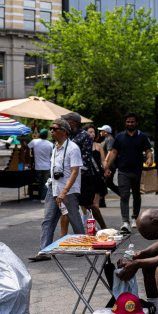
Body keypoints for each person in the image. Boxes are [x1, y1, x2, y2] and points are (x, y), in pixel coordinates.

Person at [29, 118, 84, 262]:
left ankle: (83, 246)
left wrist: (65, 191)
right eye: (51, 129)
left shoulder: (73, 148)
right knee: (48, 220)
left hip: (68, 190)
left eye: (54, 129)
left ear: (64, 131)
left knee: (74, 218)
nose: (51, 131)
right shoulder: (55, 148)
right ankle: (44, 251)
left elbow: (75, 171)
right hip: (53, 188)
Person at [104, 112, 153, 234]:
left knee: (136, 195)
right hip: (123, 171)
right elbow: (114, 152)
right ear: (125, 123)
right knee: (124, 196)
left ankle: (135, 217)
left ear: (136, 123)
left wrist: (150, 158)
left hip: (137, 171)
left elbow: (148, 151)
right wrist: (107, 167)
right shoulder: (120, 137)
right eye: (128, 122)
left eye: (132, 121)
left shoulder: (142, 137)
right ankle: (125, 221)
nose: (130, 124)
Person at [60, 112, 107, 234]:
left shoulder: (84, 136)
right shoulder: (67, 135)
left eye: (67, 121)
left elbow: (85, 159)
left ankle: (104, 228)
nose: (65, 123)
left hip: (84, 177)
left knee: (90, 205)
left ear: (73, 123)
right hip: (69, 176)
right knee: (66, 207)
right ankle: (63, 236)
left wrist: (75, 171)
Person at [84, 124, 107, 212]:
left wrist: (106, 168)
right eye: (90, 132)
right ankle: (85, 215)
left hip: (96, 175)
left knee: (95, 200)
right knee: (84, 200)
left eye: (94, 132)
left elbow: (103, 160)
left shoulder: (98, 146)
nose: (93, 134)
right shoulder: (80, 146)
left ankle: (93, 223)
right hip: (85, 175)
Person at [28, 129, 54, 203]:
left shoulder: (35, 142)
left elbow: (27, 147)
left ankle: (38, 196)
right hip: (47, 166)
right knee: (45, 183)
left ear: (39, 135)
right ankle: (43, 198)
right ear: (47, 136)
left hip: (37, 167)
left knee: (39, 182)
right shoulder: (50, 144)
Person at [98, 125, 120, 206]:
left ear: (105, 132)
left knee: (107, 182)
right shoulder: (107, 139)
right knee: (107, 183)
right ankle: (101, 201)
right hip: (108, 165)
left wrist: (105, 163)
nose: (100, 132)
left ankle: (123, 195)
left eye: (102, 131)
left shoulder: (110, 139)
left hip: (109, 165)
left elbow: (110, 152)